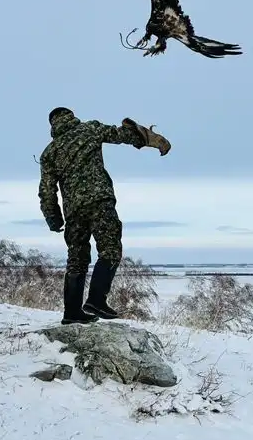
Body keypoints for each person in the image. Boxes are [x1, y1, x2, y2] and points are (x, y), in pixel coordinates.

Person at [38, 106, 171, 325]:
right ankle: (96, 300)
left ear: (52, 125)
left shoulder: (49, 153)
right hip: (99, 201)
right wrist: (151, 139)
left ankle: (72, 312)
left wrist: (54, 218)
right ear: (71, 116)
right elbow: (122, 135)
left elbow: (46, 190)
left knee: (76, 259)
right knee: (110, 250)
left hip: (73, 211)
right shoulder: (89, 129)